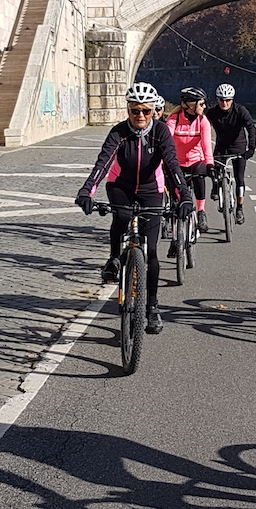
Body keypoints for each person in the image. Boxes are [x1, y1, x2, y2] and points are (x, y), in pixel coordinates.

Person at [76, 83, 196, 335]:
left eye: (146, 111)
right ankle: (113, 259)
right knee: (121, 218)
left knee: (151, 251)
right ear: (128, 110)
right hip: (121, 185)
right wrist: (87, 191)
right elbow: (103, 163)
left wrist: (184, 196)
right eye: (134, 110)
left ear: (154, 111)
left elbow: (172, 166)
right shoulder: (119, 133)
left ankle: (152, 307)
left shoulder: (161, 132)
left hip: (151, 189)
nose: (140, 116)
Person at [165, 87, 215, 241]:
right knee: (176, 201)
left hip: (195, 160)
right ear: (191, 105)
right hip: (177, 162)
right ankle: (175, 238)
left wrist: (210, 165)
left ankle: (201, 212)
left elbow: (206, 145)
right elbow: (166, 144)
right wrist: (163, 162)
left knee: (199, 175)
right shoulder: (174, 120)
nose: (204, 107)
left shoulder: (203, 121)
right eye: (201, 104)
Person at [204, 83, 256, 226]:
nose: (224, 103)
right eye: (221, 100)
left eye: (227, 100)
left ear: (232, 100)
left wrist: (251, 148)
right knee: (212, 167)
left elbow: (251, 128)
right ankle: (216, 186)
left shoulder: (240, 111)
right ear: (217, 100)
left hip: (238, 147)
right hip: (221, 147)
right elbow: (201, 124)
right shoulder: (213, 112)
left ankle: (239, 208)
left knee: (239, 179)